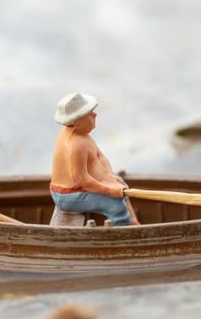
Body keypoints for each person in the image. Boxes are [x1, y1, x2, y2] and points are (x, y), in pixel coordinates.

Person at [49, 92, 138, 226]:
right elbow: (81, 179)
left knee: (121, 185)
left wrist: (109, 176)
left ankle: (133, 222)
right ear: (76, 121)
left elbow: (100, 157)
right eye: (89, 114)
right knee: (116, 206)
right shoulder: (76, 144)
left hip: (80, 187)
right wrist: (109, 190)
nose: (95, 115)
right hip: (68, 195)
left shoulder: (83, 136)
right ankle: (120, 238)